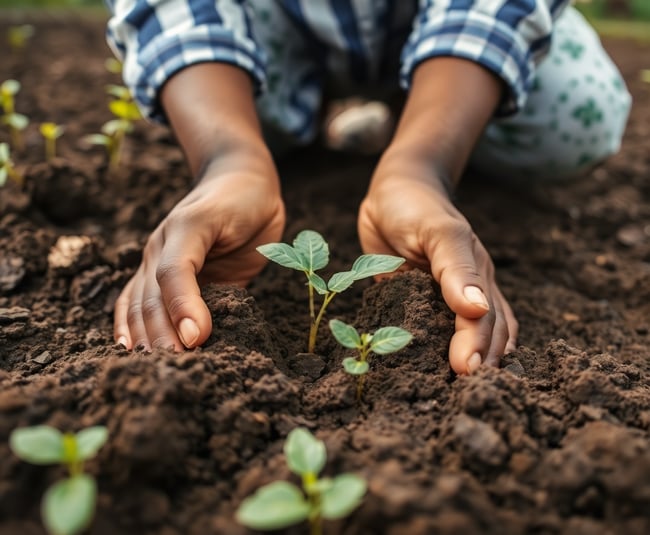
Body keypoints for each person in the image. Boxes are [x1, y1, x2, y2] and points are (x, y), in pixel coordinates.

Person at [106, 0, 631, 375]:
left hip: (442, 34)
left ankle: (412, 122)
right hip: (277, 25)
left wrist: (422, 167)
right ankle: (297, 122)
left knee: (578, 116)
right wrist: (228, 159)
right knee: (245, 121)